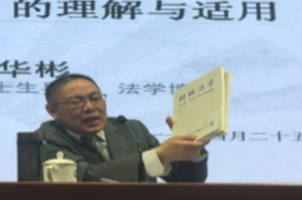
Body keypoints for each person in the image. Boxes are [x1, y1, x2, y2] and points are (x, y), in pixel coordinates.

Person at [37, 73, 208, 183]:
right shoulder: (43, 139)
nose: (89, 107)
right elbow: (87, 178)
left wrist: (192, 149)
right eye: (76, 102)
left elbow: (184, 181)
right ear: (52, 111)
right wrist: (158, 155)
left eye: (95, 98)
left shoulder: (131, 129)